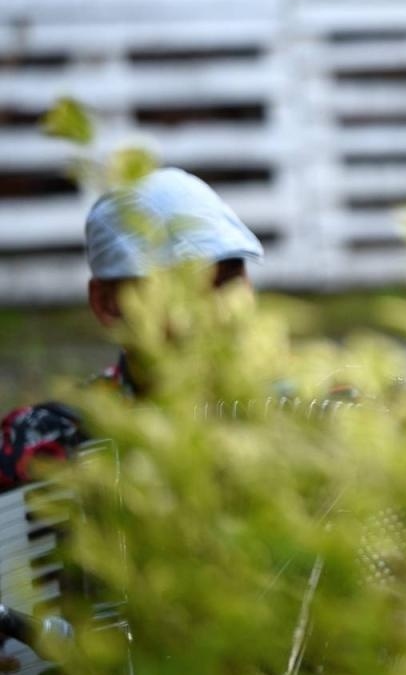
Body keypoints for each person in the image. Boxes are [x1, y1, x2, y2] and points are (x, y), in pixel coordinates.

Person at [0, 167, 264, 491]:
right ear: (107, 304)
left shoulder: (301, 413)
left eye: (229, 280)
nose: (217, 309)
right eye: (178, 287)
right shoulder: (42, 443)